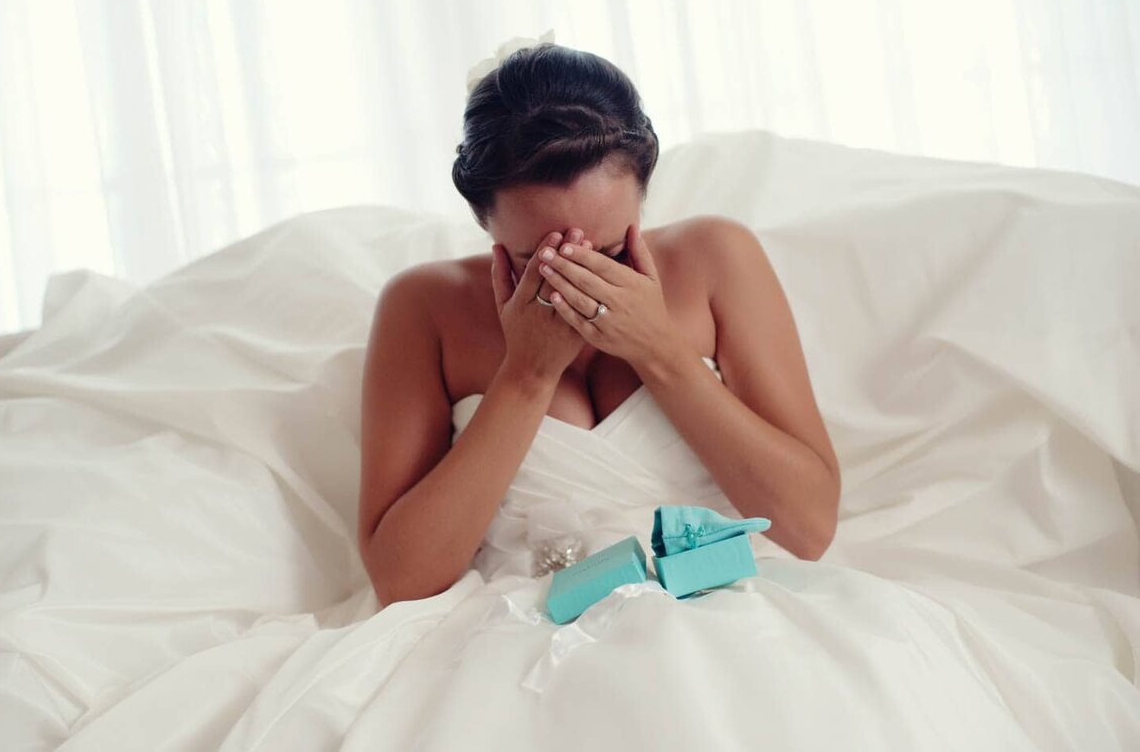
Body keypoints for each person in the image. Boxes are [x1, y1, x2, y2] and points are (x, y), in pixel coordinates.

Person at [358, 40, 840, 607]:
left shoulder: (716, 257)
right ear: (482, 219)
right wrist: (526, 376)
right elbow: (400, 581)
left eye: (608, 252)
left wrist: (659, 350)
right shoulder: (423, 305)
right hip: (513, 627)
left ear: (642, 190)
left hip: (727, 608)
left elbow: (808, 529)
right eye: (539, 262)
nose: (579, 284)